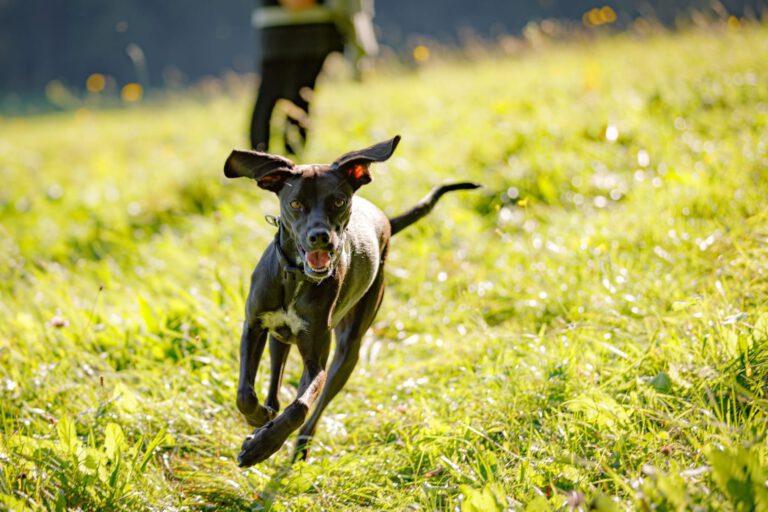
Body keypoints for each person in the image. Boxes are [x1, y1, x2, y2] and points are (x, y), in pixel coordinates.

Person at [249, 0, 378, 154]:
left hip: (315, 27)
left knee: (300, 95)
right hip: (281, 26)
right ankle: (258, 161)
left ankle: (292, 163)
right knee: (271, 94)